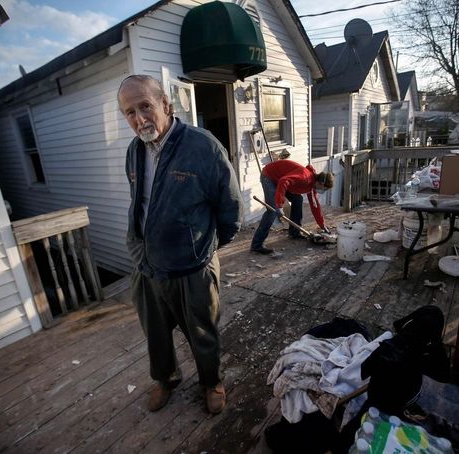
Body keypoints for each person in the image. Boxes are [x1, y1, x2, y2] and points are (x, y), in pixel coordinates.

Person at [119, 75, 243, 414]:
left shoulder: (202, 146)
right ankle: (166, 379)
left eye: (145, 106)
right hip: (147, 265)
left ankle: (211, 382)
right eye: (129, 112)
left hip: (193, 267)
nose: (139, 118)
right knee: (156, 334)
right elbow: (140, 203)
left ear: (166, 104)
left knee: (203, 332)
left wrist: (203, 250)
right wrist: (138, 251)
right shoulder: (134, 151)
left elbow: (231, 210)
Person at [251, 160, 333, 254]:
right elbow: (283, 181)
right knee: (272, 211)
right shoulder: (305, 177)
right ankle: (256, 245)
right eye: (325, 189)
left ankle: (295, 233)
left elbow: (315, 206)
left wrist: (322, 225)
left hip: (281, 179)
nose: (323, 191)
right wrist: (279, 205)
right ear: (321, 183)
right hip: (269, 176)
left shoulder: (312, 185)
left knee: (298, 199)